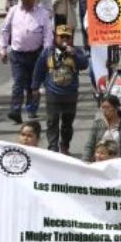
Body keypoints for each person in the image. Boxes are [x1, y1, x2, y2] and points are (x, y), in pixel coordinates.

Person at [0, 0, 54, 123]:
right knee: (18, 82)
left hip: (36, 54)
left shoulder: (42, 13)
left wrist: (47, 51)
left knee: (33, 83)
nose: (27, 2)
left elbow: (48, 33)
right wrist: (3, 48)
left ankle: (31, 109)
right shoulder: (13, 11)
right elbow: (5, 30)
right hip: (17, 53)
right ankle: (15, 110)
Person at [32, 26, 87, 155]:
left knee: (67, 122)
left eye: (67, 37)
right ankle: (53, 147)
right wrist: (35, 87)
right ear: (55, 37)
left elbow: (84, 64)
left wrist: (75, 56)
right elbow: (39, 69)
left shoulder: (77, 51)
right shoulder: (47, 52)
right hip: (53, 93)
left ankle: (65, 145)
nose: (64, 39)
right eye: (61, 36)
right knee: (52, 121)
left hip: (70, 93)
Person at [83, 95, 121, 161]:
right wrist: (85, 161)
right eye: (102, 107)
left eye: (107, 107)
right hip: (100, 164)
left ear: (116, 108)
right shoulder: (98, 124)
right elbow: (89, 146)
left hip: (120, 163)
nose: (104, 110)